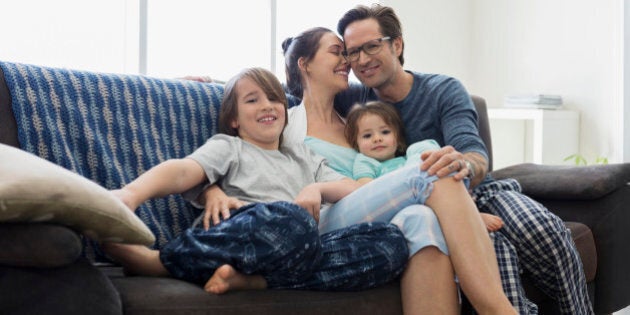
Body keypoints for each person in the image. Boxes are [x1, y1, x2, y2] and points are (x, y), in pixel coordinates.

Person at [204, 27, 517, 314]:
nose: (347, 61)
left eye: (345, 54)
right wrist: (210, 188)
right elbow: (246, 136)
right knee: (431, 170)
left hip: (373, 214)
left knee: (421, 218)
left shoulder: (353, 115)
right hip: (320, 220)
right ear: (305, 64)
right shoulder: (287, 120)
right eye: (336, 52)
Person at [335, 4, 593, 314]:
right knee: (500, 253)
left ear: (397, 44)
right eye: (353, 52)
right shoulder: (352, 101)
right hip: (430, 210)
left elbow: (474, 152)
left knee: (540, 228)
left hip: (478, 190)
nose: (362, 59)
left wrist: (464, 165)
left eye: (372, 46)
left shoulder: (442, 89)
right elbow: (301, 89)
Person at [101, 67, 410, 295]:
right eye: (252, 100)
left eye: (274, 98)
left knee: (391, 242)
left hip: (296, 248)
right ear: (234, 119)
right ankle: (162, 261)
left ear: (284, 111)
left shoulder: (304, 155)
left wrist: (315, 187)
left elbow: (355, 189)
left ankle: (255, 282)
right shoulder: (230, 146)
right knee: (293, 219)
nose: (266, 105)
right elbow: (183, 171)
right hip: (249, 228)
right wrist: (130, 195)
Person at [344, 101, 503, 232]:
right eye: (367, 135)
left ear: (398, 140)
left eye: (385, 132)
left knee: (423, 148)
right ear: (356, 144)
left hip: (428, 195)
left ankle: (463, 210)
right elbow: (368, 192)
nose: (377, 139)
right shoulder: (365, 161)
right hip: (397, 207)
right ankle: (468, 217)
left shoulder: (407, 159)